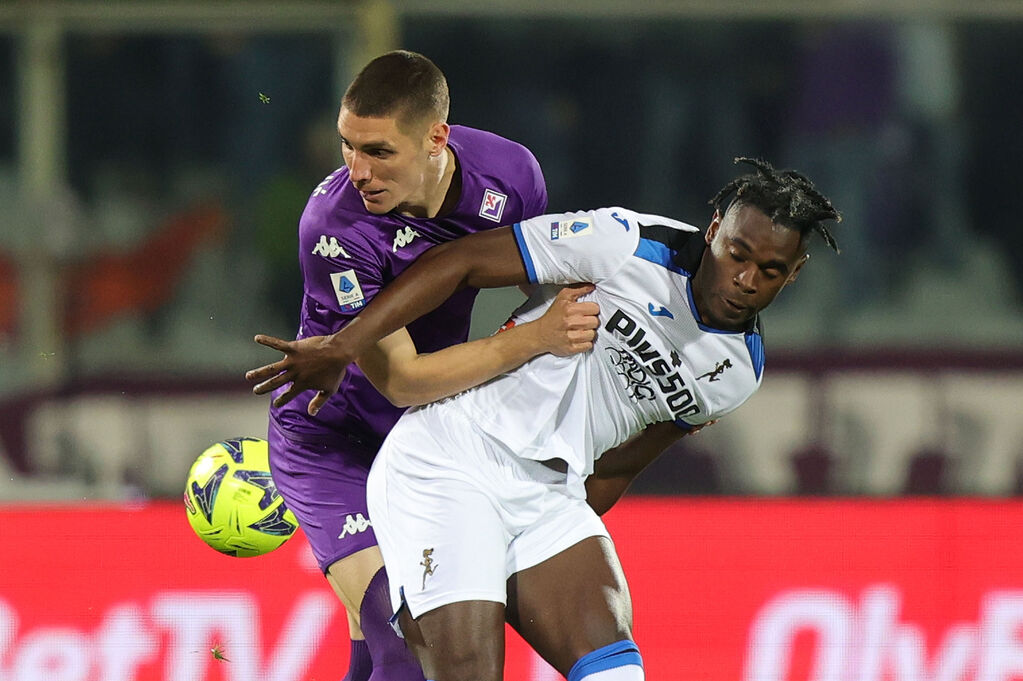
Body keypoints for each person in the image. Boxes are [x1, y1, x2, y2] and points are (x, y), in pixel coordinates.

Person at [249, 157, 841, 680]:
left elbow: (621, 464)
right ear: (715, 232)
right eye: (737, 253)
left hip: (547, 494)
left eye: (769, 270)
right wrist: (349, 343)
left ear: (794, 273)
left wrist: (542, 546)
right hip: (452, 457)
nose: (745, 279)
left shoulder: (738, 372)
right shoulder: (621, 242)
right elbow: (460, 262)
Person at [244, 50, 601, 681]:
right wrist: (533, 340)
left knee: (382, 644)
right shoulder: (334, 228)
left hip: (429, 441)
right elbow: (403, 381)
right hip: (331, 441)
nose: (358, 170)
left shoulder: (511, 176)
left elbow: (550, 296)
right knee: (403, 632)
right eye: (347, 145)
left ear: (438, 138)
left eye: (380, 151)